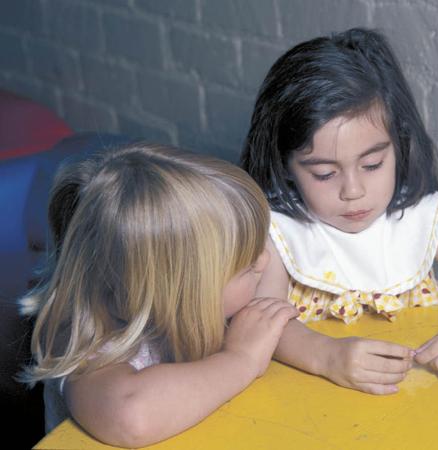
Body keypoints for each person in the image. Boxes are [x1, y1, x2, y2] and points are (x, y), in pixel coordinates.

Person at [241, 27, 438, 395]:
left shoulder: (421, 218)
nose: (353, 191)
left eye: (373, 164)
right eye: (324, 173)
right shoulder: (280, 232)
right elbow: (261, 321)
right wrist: (326, 356)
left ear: (400, 146)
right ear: (285, 165)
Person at [19, 143, 298, 447]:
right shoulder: (87, 332)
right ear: (185, 289)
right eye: (247, 266)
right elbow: (131, 417)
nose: (264, 261)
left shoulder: (181, 299)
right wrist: (241, 359)